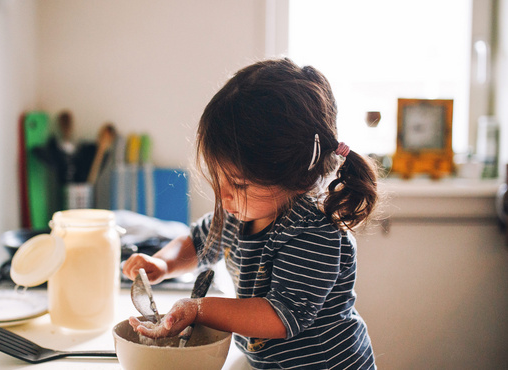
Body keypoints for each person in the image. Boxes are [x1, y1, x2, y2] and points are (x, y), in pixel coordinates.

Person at [122, 58, 379, 369]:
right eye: (219, 180)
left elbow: (279, 316)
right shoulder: (238, 213)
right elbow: (197, 242)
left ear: (295, 178)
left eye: (239, 184)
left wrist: (198, 309)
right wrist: (163, 262)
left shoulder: (313, 232)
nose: (224, 196)